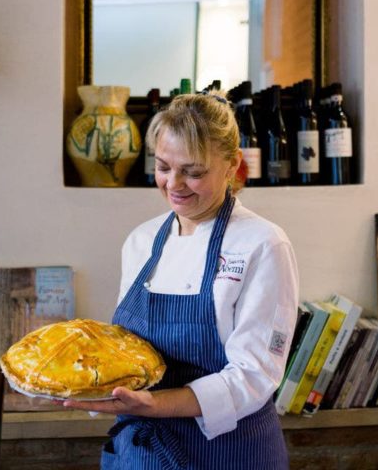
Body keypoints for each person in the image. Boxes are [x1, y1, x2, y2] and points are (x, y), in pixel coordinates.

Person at [64, 92, 299, 469]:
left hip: (228, 453)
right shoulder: (142, 241)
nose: (174, 184)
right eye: (163, 166)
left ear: (232, 166)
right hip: (143, 454)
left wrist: (155, 403)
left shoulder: (262, 244)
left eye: (193, 171)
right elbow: (126, 351)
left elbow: (255, 375)